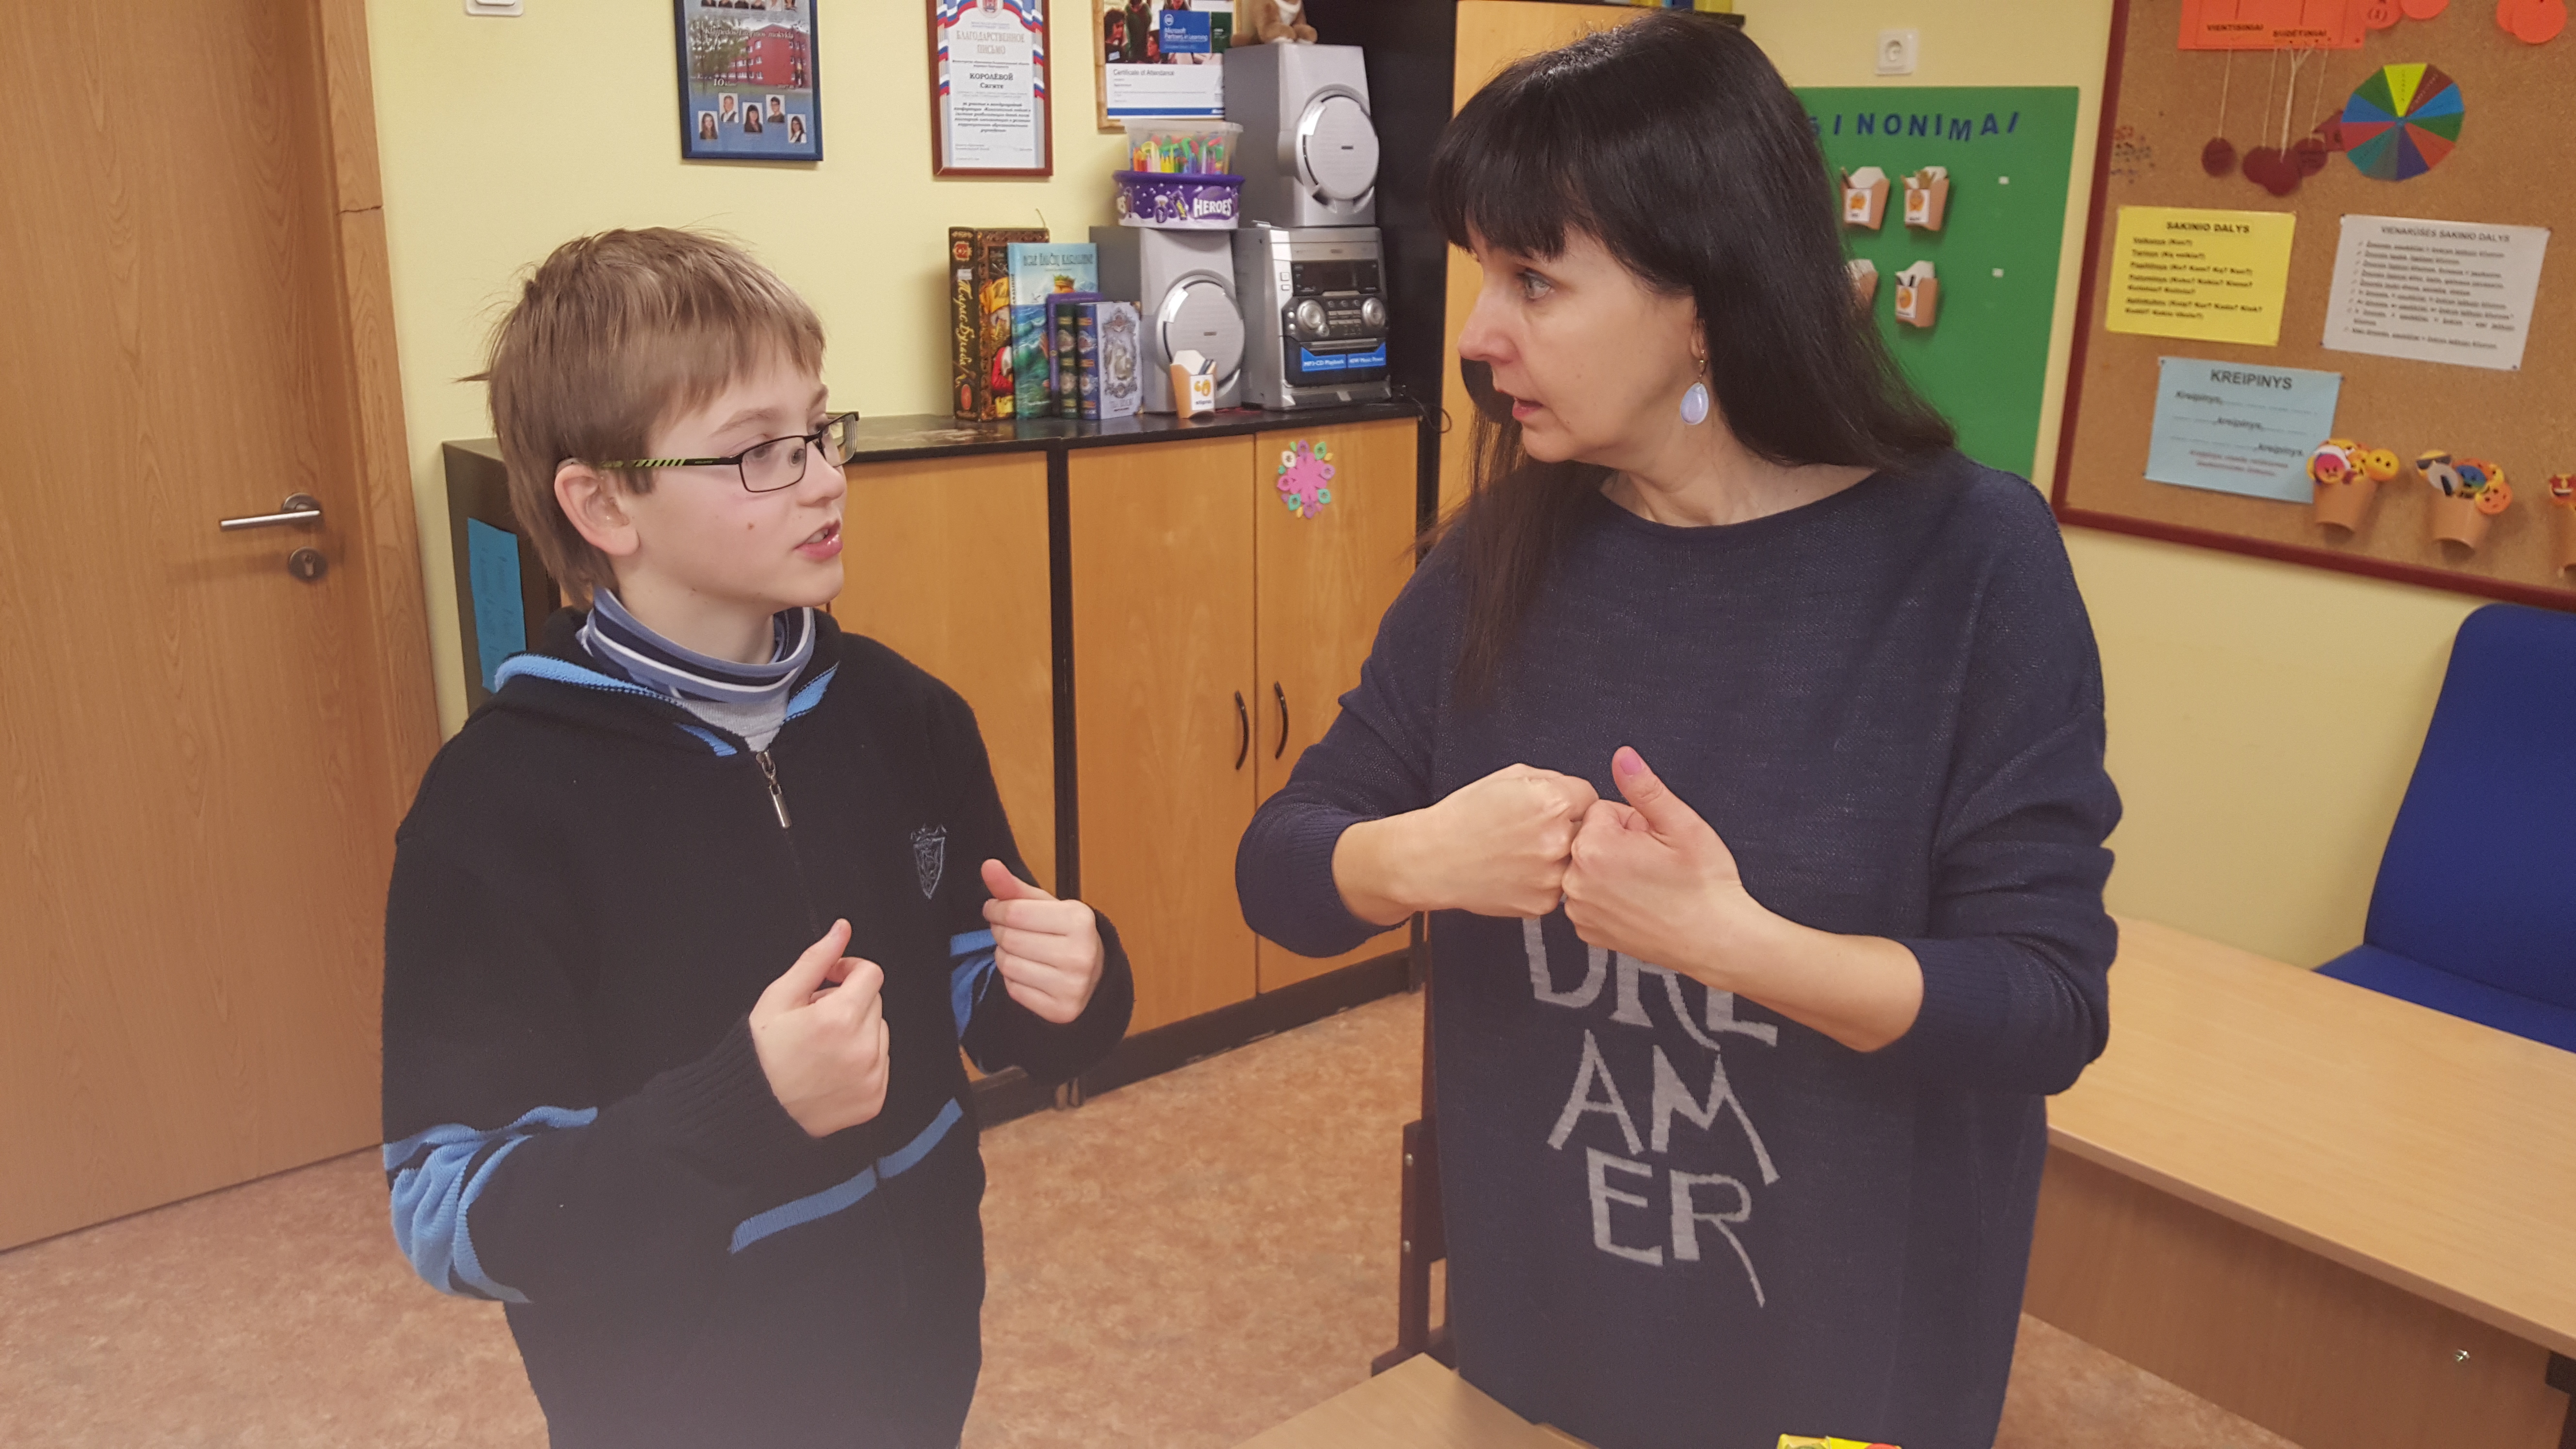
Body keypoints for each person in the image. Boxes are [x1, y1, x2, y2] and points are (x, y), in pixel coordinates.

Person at [1234, 16, 2118, 1449]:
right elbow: (1281, 866)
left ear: (1702, 300)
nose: (1478, 335)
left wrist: (1730, 943)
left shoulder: (1970, 563)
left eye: (1534, 280)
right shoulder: (1496, 558)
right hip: (1545, 1331)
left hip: (1846, 1355)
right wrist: (1415, 856)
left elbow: (2043, 1006)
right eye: (1482, 274)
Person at [382, 228, 1132, 1448]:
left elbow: (978, 984)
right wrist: (743, 1106)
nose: (825, 479)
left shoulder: (906, 715)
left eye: (821, 430)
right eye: (757, 453)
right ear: (602, 502)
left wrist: (1071, 982)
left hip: (920, 1353)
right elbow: (448, 1207)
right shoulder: (494, 813)